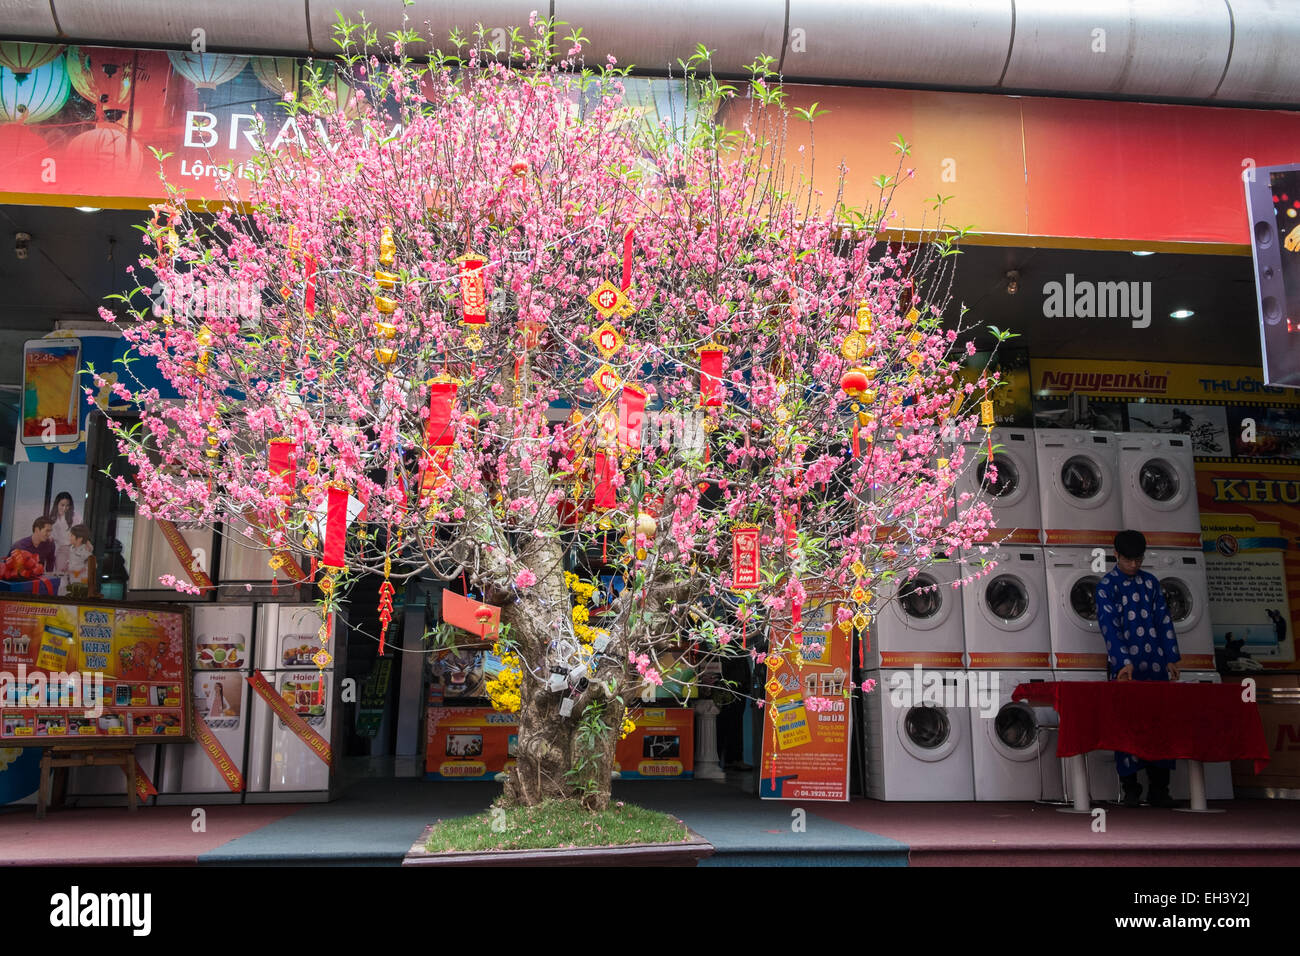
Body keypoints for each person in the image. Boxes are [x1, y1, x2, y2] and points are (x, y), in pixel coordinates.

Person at [1095, 530, 1181, 808]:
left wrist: (1171, 657)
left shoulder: (1151, 583)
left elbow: (1164, 621)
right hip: (1125, 669)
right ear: (1116, 554)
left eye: (1138, 560)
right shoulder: (1107, 585)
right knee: (1128, 726)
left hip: (1155, 665)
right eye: (1129, 559)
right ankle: (1131, 788)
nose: (1134, 565)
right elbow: (1109, 627)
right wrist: (1122, 663)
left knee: (1160, 724)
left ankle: (1160, 788)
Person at [48, 492, 75, 574]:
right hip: (59, 550)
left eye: (67, 506)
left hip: (73, 550)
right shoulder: (52, 518)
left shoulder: (75, 517)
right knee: (60, 575)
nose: (64, 508)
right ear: (57, 504)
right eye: (62, 505)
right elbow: (50, 536)